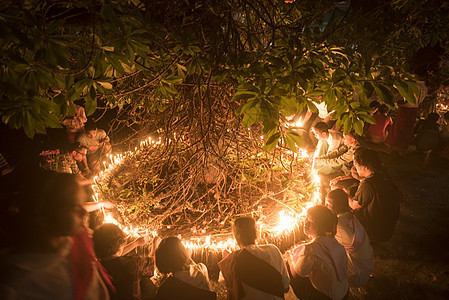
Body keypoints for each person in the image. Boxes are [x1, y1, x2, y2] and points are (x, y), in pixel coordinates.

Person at [0, 169, 112, 299]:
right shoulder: (17, 282)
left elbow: (97, 287)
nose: (84, 213)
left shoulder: (78, 238)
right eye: (75, 207)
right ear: (46, 213)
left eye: (82, 204)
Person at [285, 205, 348, 300]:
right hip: (344, 293)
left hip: (326, 298)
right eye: (306, 219)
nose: (305, 224)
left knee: (288, 265)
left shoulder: (311, 249)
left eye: (311, 222)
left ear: (321, 227)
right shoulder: (335, 242)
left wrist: (289, 258)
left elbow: (298, 276)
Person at [218, 216, 289, 300]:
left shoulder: (232, 261)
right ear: (256, 233)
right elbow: (285, 286)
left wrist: (228, 258)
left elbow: (223, 281)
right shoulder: (273, 250)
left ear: (236, 237)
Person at [349, 148, 400, 243]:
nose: (355, 167)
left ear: (363, 167)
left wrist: (342, 192)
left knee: (343, 210)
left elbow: (354, 205)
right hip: (388, 229)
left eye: (355, 165)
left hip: (375, 233)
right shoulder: (383, 174)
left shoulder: (368, 184)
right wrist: (361, 179)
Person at [93, 224, 156, 300]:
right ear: (120, 243)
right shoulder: (132, 264)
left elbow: (112, 255)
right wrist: (155, 245)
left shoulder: (95, 267)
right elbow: (154, 264)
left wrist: (136, 243)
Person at [326, 189, 373, 288]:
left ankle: (339, 288)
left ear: (338, 205)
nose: (326, 206)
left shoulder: (339, 225)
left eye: (328, 203)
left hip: (358, 276)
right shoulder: (349, 216)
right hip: (368, 267)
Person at [385, 80, 428, 154]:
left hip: (406, 109)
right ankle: (401, 149)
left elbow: (403, 98)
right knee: (406, 130)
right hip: (414, 110)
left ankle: (391, 147)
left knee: (397, 128)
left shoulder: (412, 85)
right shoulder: (424, 88)